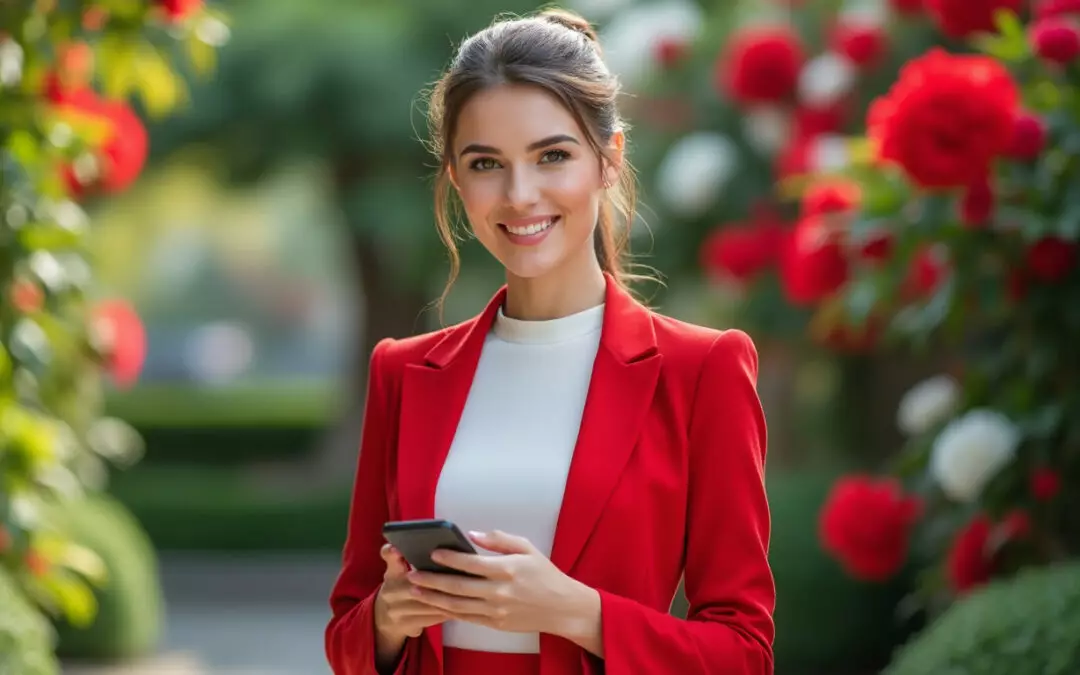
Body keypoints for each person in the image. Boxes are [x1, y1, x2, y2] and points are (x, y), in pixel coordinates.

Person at [325, 7, 775, 675]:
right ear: (456, 180)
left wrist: (573, 610)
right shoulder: (402, 370)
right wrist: (389, 616)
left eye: (552, 156)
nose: (520, 194)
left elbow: (743, 654)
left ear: (609, 160)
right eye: (486, 163)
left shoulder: (702, 370)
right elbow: (347, 637)